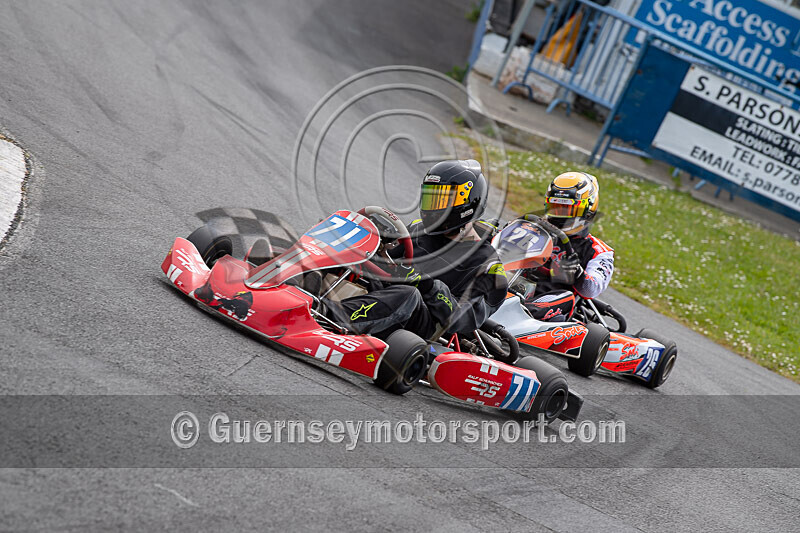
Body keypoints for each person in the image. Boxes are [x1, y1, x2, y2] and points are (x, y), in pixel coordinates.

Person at [327, 160, 508, 341]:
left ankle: (327, 315)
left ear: (467, 203)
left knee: (408, 294)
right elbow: (383, 261)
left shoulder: (488, 265)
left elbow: (466, 319)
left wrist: (428, 286)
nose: (432, 208)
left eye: (441, 200)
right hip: (386, 298)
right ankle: (305, 287)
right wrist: (374, 244)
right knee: (351, 255)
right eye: (430, 199)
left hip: (424, 327)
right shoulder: (417, 230)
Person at [522, 171, 614, 322]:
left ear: (588, 209)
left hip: (552, 305)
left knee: (547, 303)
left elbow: (592, 289)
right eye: (556, 208)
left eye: (568, 209)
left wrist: (578, 274)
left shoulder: (598, 251)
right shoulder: (533, 228)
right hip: (516, 287)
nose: (561, 215)